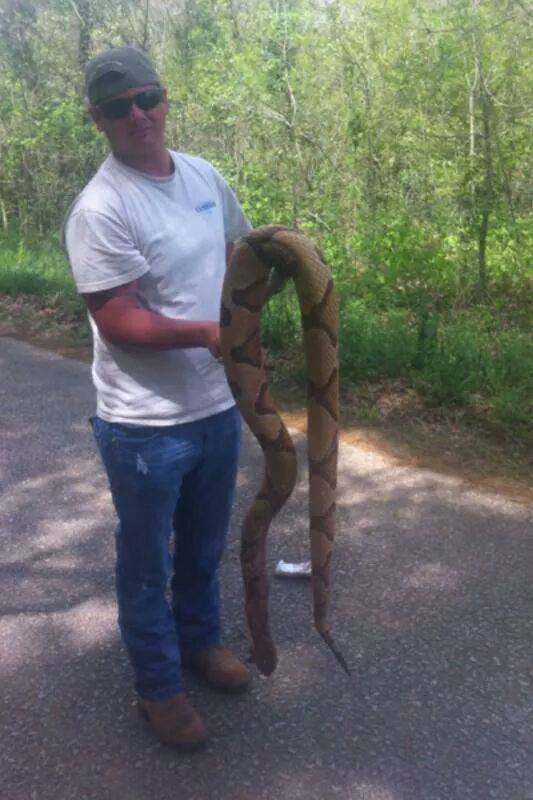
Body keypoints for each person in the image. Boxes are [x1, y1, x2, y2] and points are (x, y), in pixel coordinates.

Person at [63, 45, 253, 752]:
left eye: (147, 98)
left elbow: (238, 253)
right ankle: (158, 687)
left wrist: (257, 293)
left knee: (203, 545)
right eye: (119, 107)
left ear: (165, 98)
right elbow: (117, 318)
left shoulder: (204, 175)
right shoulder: (101, 208)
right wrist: (206, 332)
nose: (137, 114)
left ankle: (201, 643)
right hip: (145, 426)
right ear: (98, 119)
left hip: (217, 406)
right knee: (148, 564)